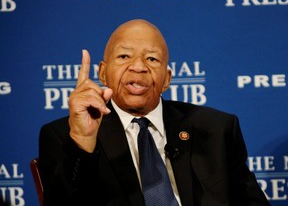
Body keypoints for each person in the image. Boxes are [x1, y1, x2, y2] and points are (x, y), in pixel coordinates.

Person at [38, 19, 270, 206]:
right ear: (102, 72)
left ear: (167, 79)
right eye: (124, 56)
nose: (138, 66)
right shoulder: (65, 135)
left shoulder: (215, 129)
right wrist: (83, 142)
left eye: (151, 58)